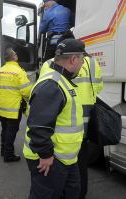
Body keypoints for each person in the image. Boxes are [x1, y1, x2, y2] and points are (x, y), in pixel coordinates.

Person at [23, 39, 86, 199]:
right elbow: (38, 126)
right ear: (73, 59)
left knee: (72, 192)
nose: (83, 63)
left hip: (64, 158)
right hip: (52, 160)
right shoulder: (53, 84)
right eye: (82, 59)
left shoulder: (61, 80)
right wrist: (45, 155)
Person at [0, 48, 33, 162]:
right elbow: (26, 91)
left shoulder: (0, 71)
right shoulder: (19, 71)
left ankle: (3, 150)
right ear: (14, 57)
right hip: (14, 108)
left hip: (2, 107)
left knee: (5, 129)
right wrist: (28, 100)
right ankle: (8, 155)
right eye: (16, 53)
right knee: (11, 131)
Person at [73, 55, 103, 199]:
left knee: (67, 161)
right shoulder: (93, 62)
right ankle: (82, 192)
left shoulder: (59, 61)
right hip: (87, 114)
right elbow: (99, 86)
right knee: (82, 161)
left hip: (71, 117)